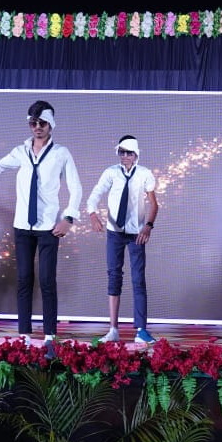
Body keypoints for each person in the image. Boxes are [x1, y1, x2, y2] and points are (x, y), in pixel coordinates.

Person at [0, 99, 82, 353]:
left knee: (46, 280)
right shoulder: (20, 151)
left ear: (51, 124)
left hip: (47, 227)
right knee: (23, 279)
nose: (37, 127)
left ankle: (50, 338)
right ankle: (24, 335)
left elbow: (75, 188)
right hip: (23, 226)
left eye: (42, 122)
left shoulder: (61, 154)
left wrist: (68, 218)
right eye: (33, 123)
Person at [86, 134, 159, 345]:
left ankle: (141, 329)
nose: (125, 156)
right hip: (115, 231)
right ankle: (113, 328)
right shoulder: (111, 173)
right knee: (114, 275)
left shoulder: (144, 174)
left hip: (136, 232)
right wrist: (92, 213)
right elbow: (96, 192)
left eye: (129, 153)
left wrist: (148, 226)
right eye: (122, 152)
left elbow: (153, 203)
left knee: (138, 279)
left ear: (136, 155)